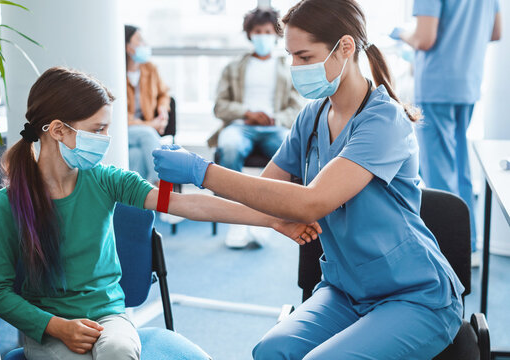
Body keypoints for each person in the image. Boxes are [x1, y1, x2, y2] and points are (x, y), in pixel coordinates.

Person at [152, 0, 465, 358]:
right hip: (347, 290)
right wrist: (160, 199)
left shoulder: (384, 120)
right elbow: (258, 195)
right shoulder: (313, 118)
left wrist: (200, 170)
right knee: (270, 352)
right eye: (291, 57)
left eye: (304, 57)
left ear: (345, 48)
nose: (295, 67)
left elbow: (312, 201)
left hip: (414, 296)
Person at [0, 67, 320, 360]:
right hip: (48, 325)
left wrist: (272, 218)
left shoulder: (106, 180)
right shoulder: (9, 203)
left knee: (117, 351)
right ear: (58, 130)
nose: (107, 138)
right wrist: (56, 326)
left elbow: (190, 204)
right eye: (98, 129)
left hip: (108, 316)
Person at [390, 0, 502, 265]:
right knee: (461, 167)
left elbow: (425, 39)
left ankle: (449, 251)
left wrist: (401, 34)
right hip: (469, 82)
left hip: (438, 84)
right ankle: (468, 245)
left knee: (439, 170)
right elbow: (496, 32)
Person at [210, 7, 303, 249]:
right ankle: (236, 220)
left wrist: (274, 117)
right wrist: (247, 113)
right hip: (241, 126)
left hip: (276, 127)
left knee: (290, 151)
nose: (262, 36)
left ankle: (267, 219)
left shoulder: (288, 67)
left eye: (267, 31)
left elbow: (296, 106)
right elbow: (220, 106)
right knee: (228, 147)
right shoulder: (234, 68)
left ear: (276, 34)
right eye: (257, 31)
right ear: (250, 34)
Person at [125, 25, 170, 185]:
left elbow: (164, 93)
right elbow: (120, 117)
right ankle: (161, 185)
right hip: (126, 129)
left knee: (136, 156)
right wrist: (151, 125)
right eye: (140, 41)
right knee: (148, 134)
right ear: (128, 47)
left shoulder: (150, 69)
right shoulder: (116, 73)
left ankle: (145, 206)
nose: (144, 44)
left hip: (145, 131)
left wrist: (162, 109)